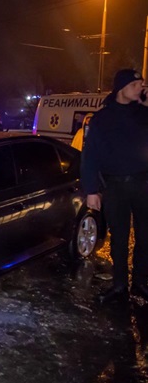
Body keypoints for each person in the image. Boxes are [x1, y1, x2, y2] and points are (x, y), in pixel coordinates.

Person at [81, 68, 148, 304]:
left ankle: (140, 282)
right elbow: (90, 157)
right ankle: (119, 285)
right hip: (115, 187)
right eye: (136, 84)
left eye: (142, 84)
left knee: (145, 236)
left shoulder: (144, 115)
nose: (141, 86)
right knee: (118, 238)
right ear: (122, 89)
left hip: (143, 184)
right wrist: (91, 191)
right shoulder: (102, 119)